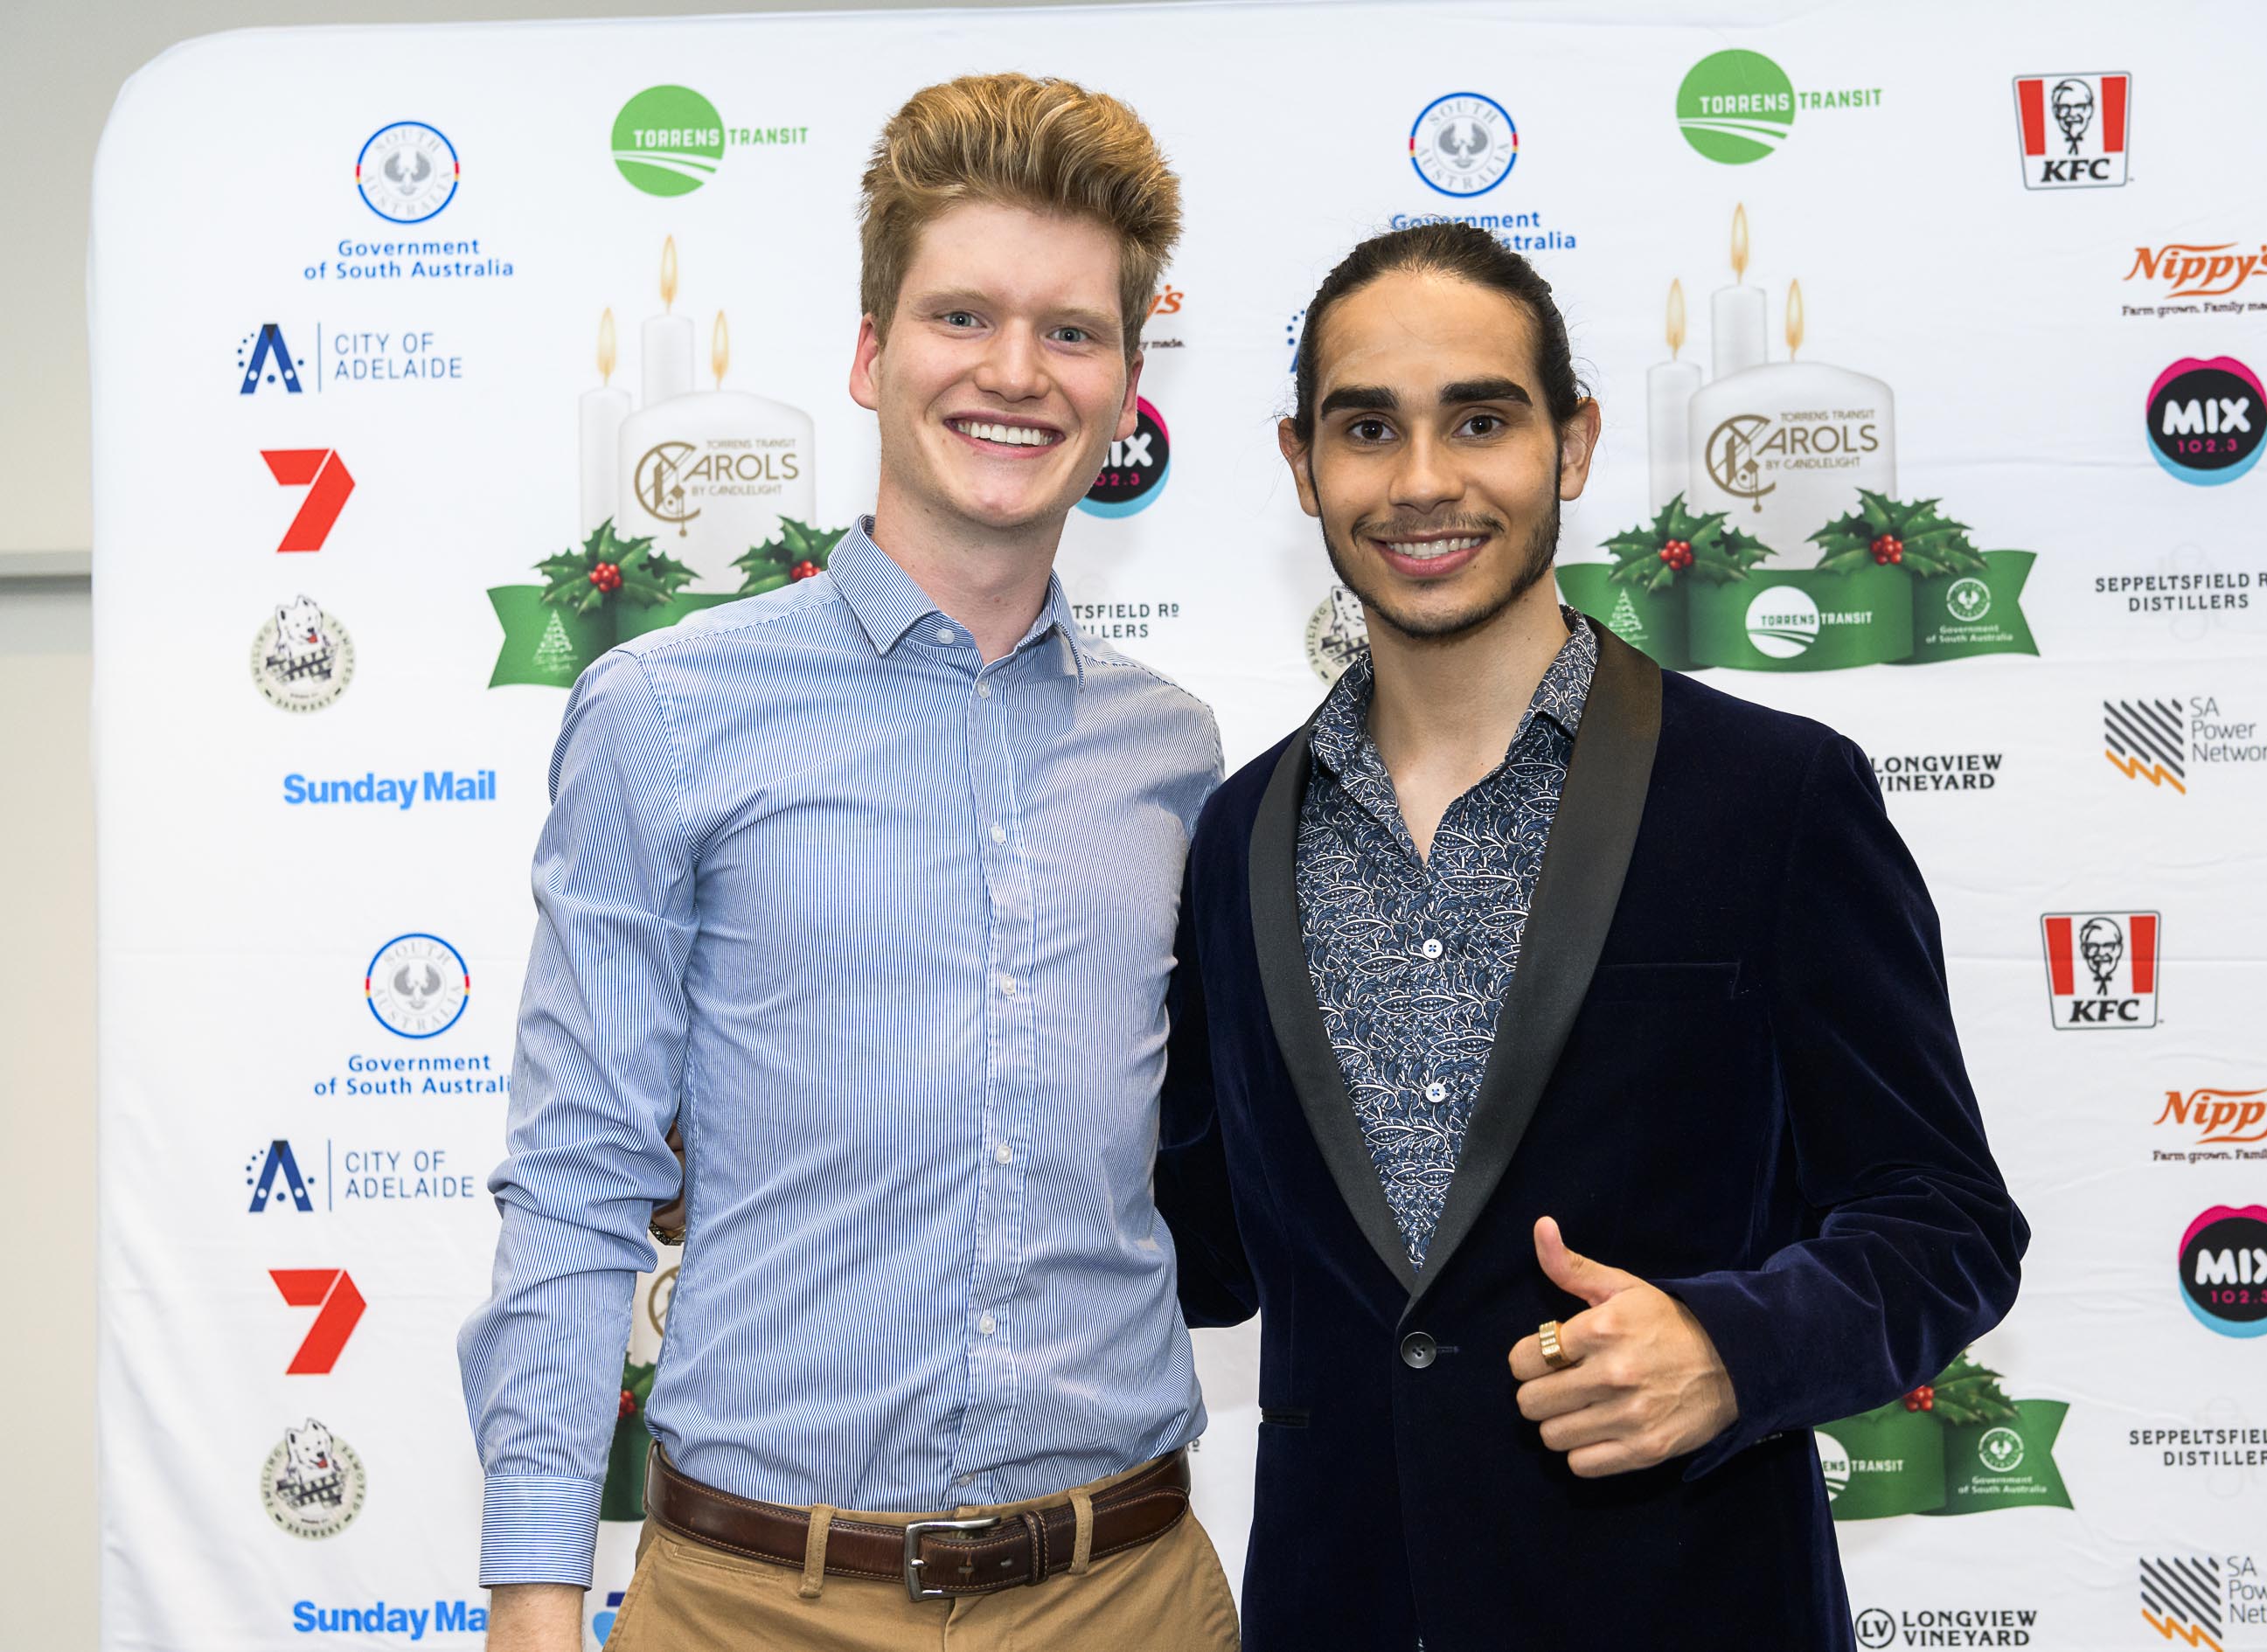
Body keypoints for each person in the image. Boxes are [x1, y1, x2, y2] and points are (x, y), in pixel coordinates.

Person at [1154, 223, 2028, 1650]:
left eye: (1480, 420)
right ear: (1302, 464)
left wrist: (1733, 1346)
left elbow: (1947, 1221)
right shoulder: (1235, 833)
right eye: (1367, 428)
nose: (1422, 481)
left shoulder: (1775, 796)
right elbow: (1200, 1245)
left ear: (1573, 442)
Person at [459, 73, 1239, 1652]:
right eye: (963, 317)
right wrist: (534, 1595)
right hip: (757, 1605)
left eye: (1072, 331)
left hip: (1127, 1596)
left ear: (1124, 384)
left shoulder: (1175, 750)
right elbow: (580, 1172)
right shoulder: (666, 711)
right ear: (874, 355)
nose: (1014, 372)